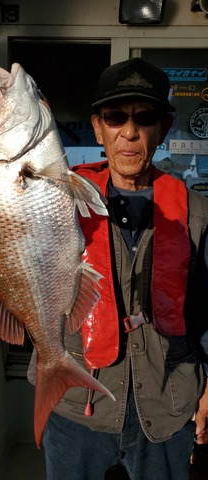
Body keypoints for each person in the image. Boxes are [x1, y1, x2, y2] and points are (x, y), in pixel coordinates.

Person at [42, 57, 208, 480]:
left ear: (164, 127)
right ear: (98, 127)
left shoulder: (199, 214)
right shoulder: (58, 206)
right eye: (115, 117)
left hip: (169, 407)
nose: (129, 132)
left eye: (145, 117)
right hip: (76, 404)